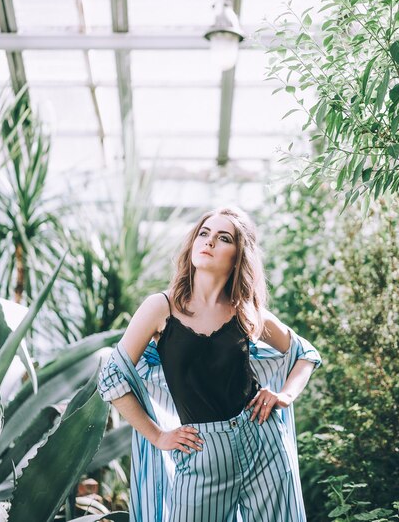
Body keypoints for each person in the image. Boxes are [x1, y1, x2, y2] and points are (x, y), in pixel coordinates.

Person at [98, 206, 322, 522]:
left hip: (263, 443)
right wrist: (158, 436)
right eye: (204, 233)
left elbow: (305, 354)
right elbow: (111, 378)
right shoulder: (160, 308)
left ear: (239, 255)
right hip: (203, 452)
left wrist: (284, 395)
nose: (209, 242)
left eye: (223, 238)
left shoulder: (245, 311)